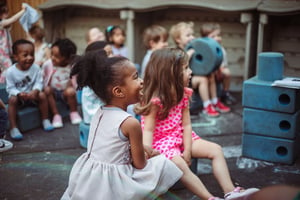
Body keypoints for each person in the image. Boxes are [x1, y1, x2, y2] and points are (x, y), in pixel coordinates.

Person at [135, 48, 259, 200]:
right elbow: (147, 131)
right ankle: (210, 198)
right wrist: (147, 155)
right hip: (161, 143)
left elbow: (186, 125)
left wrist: (187, 149)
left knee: (216, 150)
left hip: (180, 136)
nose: (191, 71)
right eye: (186, 68)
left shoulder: (184, 93)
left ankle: (230, 191)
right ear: (171, 73)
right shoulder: (155, 101)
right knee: (180, 164)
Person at [61, 49, 183, 200]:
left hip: (88, 178)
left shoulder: (99, 112)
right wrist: (151, 155)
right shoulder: (130, 123)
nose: (142, 81)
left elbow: (112, 145)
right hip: (114, 184)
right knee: (162, 164)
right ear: (118, 91)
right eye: (136, 77)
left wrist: (145, 148)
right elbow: (140, 164)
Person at [169, 22, 230, 117]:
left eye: (192, 34)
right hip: (183, 82)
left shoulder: (194, 46)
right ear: (178, 39)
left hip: (193, 77)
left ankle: (215, 101)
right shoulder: (177, 51)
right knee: (203, 79)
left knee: (210, 74)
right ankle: (207, 106)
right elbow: (179, 66)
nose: (192, 37)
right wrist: (188, 54)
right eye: (188, 35)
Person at [6, 39, 54, 140]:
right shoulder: (10, 72)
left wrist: (35, 90)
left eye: (32, 54)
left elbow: (39, 82)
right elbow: (10, 88)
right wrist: (19, 94)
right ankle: (13, 127)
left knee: (42, 95)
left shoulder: (36, 68)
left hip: (33, 96)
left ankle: (45, 120)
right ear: (16, 57)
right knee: (12, 100)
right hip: (20, 98)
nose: (30, 58)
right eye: (25, 55)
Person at [42, 38, 82, 128]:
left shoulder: (72, 66)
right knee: (47, 90)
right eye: (52, 54)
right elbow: (43, 77)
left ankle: (74, 112)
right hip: (53, 93)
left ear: (67, 59)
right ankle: (56, 115)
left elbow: (76, 80)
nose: (52, 58)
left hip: (65, 92)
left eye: (56, 56)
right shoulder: (48, 64)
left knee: (71, 91)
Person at [200, 22, 236, 105]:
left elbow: (223, 63)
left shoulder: (221, 48)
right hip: (207, 72)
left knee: (227, 72)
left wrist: (221, 69)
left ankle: (225, 93)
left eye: (219, 35)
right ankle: (212, 100)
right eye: (213, 36)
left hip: (219, 70)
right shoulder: (204, 48)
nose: (217, 38)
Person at [81, 41, 112, 124]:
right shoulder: (96, 77)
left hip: (96, 114)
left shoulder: (97, 73)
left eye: (112, 53)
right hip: (95, 117)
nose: (112, 56)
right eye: (108, 54)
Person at [0, 2, 26, 83]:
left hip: (5, 52)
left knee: (5, 68)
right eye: (4, 13)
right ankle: (2, 84)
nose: (6, 15)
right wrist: (23, 10)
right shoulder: (1, 23)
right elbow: (14, 19)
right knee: (8, 68)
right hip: (1, 53)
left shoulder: (4, 25)